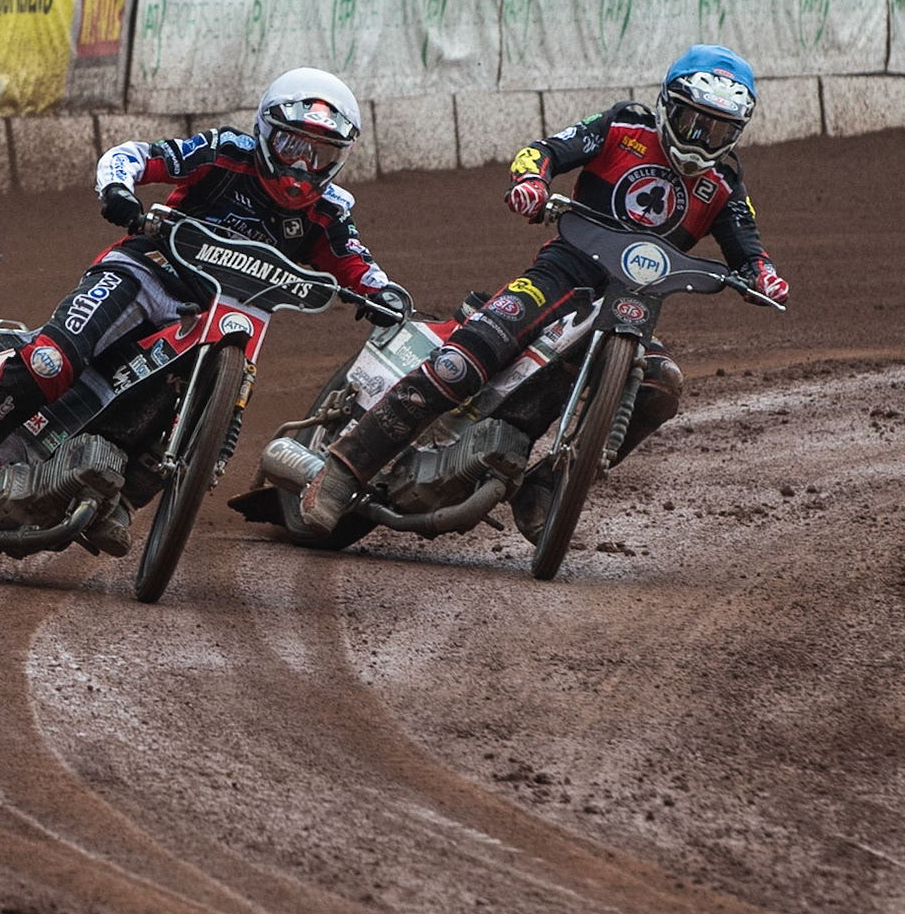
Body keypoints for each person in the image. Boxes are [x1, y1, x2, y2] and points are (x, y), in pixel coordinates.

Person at [0, 67, 409, 556]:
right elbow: (134, 155)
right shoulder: (225, 150)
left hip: (222, 316)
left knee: (216, 416)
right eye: (293, 144)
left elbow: (355, 262)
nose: (301, 165)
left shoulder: (330, 209)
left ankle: (126, 498)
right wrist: (117, 189)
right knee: (53, 360)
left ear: (339, 158)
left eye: (319, 153)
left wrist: (382, 292)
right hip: (146, 273)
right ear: (267, 132)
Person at [299, 43, 789, 543]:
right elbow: (546, 151)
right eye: (694, 122)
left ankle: (548, 485)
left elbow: (748, 247)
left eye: (722, 130)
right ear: (668, 104)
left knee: (660, 386)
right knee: (466, 359)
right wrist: (532, 180)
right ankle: (344, 469)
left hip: (631, 303)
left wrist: (763, 275)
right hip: (563, 272)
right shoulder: (625, 126)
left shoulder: (724, 181)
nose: (704, 139)